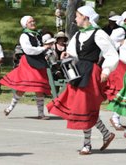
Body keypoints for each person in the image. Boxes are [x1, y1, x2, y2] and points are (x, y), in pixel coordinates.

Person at [47, 6, 119, 154]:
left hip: (91, 73)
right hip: (78, 73)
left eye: (78, 16)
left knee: (84, 107)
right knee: (83, 108)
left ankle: (87, 144)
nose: (75, 18)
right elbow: (74, 54)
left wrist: (106, 70)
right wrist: (67, 55)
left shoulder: (98, 34)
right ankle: (106, 134)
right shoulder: (78, 35)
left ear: (85, 17)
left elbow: (111, 54)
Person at [0, 15, 51, 120]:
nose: (33, 23)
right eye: (30, 22)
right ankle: (9, 108)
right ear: (25, 25)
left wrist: (48, 51)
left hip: (39, 62)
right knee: (22, 87)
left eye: (33, 21)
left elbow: (41, 47)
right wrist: (42, 48)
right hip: (29, 63)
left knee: (39, 88)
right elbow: (28, 50)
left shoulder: (37, 35)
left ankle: (40, 114)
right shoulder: (24, 36)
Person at [107, 10, 126, 131]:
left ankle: (119, 118)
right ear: (124, 20)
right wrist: (120, 44)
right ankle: (115, 118)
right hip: (120, 64)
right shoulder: (120, 31)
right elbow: (110, 43)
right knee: (121, 90)